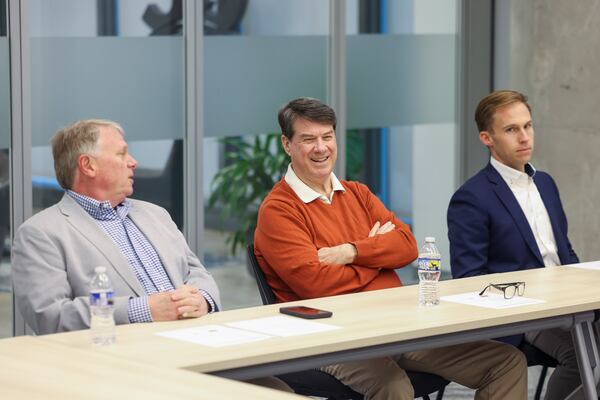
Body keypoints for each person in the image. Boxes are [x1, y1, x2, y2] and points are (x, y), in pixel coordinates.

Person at [254, 97, 527, 400]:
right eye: (308, 139)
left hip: (396, 327)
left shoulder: (357, 193)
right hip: (333, 339)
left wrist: (351, 252)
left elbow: (408, 247)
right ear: (287, 144)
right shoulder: (278, 210)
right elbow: (315, 283)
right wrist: (379, 257)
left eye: (327, 137)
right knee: (393, 385)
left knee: (505, 362)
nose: (321, 147)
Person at [447, 90, 580, 400]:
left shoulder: (545, 183)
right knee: (583, 354)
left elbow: (565, 254)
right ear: (486, 138)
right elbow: (469, 279)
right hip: (525, 316)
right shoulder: (472, 198)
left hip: (569, 304)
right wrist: (531, 298)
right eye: (511, 129)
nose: (524, 137)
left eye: (528, 126)